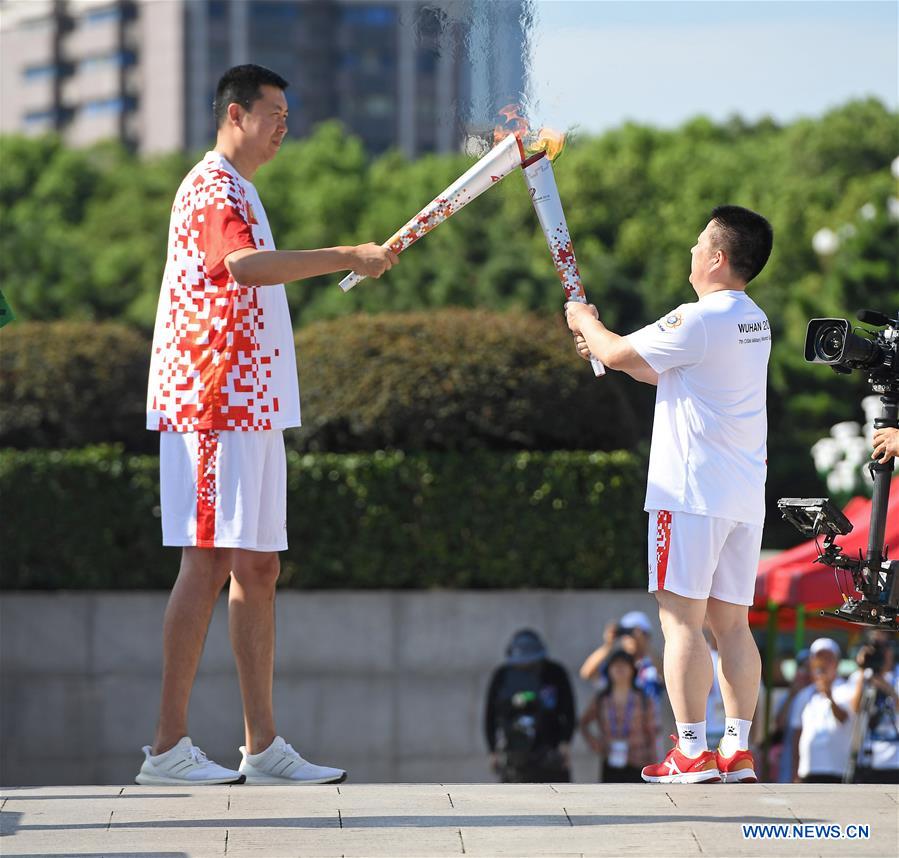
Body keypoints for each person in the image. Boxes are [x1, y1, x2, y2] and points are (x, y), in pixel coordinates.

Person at [136, 64, 398, 786]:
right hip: (213, 401)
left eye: (287, 112)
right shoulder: (214, 185)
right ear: (233, 114)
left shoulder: (241, 188)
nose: (285, 125)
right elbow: (243, 266)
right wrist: (348, 255)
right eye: (273, 112)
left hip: (247, 405)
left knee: (257, 566)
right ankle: (166, 748)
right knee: (210, 560)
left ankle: (263, 746)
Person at [566, 205, 773, 784]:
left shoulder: (700, 317)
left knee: (680, 622)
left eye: (698, 242)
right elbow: (660, 369)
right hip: (740, 497)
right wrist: (605, 345)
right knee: (732, 625)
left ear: (717, 257)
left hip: (687, 494)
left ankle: (690, 750)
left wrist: (584, 320)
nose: (690, 250)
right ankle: (736, 749)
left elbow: (615, 353)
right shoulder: (753, 319)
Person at [484, 629, 576, 783]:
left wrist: (565, 742)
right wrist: (492, 750)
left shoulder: (554, 673)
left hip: (549, 750)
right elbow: (490, 715)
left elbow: (569, 710)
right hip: (513, 752)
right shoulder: (502, 675)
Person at [579, 648, 660, 782]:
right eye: (615, 665)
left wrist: (655, 765)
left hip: (639, 762)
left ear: (632, 670)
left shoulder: (643, 698)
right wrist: (594, 742)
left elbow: (652, 732)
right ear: (609, 670)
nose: (619, 668)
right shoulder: (602, 698)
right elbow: (583, 723)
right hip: (610, 761)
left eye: (624, 664)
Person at [791, 638, 855, 783]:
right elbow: (797, 735)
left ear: (837, 663)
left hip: (838, 771)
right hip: (807, 771)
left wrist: (829, 695)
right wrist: (794, 772)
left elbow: (844, 719)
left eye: (828, 658)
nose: (823, 663)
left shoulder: (847, 690)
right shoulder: (804, 695)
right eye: (818, 658)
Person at [580, 610, 663, 706]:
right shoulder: (616, 665)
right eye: (627, 633)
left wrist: (645, 647)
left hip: (648, 717)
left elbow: (664, 674)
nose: (631, 638)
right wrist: (608, 645)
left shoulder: (652, 664)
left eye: (638, 633)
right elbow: (586, 673)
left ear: (647, 636)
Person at [848, 634, 899, 783]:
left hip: (894, 761)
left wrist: (886, 687)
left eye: (884, 648)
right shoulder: (861, 677)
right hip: (867, 760)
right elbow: (855, 708)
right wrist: (863, 669)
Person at [773, 648, 811, 783]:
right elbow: (779, 724)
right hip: (789, 758)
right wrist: (791, 695)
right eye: (803, 668)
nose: (807, 673)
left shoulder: (821, 695)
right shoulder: (790, 696)